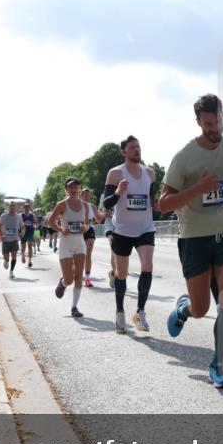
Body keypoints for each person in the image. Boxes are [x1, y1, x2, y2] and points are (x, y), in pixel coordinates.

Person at [159, 94, 223, 388]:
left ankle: (218, 365)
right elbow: (162, 204)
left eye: (218, 121)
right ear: (199, 122)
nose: (215, 128)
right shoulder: (185, 158)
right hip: (194, 238)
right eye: (208, 123)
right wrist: (198, 188)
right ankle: (185, 308)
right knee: (201, 309)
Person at [102, 137, 157, 333]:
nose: (137, 150)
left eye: (138, 147)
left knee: (147, 266)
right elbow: (106, 204)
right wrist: (117, 192)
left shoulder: (149, 173)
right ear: (123, 152)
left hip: (145, 229)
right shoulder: (116, 173)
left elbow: (152, 201)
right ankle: (119, 313)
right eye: (132, 147)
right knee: (121, 274)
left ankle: (140, 312)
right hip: (123, 230)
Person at [46, 177, 90, 317]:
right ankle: (63, 283)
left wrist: (85, 227)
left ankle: (74, 307)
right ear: (66, 189)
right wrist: (60, 230)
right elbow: (50, 222)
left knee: (79, 277)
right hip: (65, 244)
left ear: (79, 189)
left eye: (76, 187)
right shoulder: (62, 205)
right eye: (70, 187)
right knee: (70, 279)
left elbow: (88, 224)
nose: (73, 190)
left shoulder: (85, 206)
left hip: (79, 244)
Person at [79, 188, 100, 289]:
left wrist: (104, 213)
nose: (87, 197)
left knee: (88, 253)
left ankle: (87, 278)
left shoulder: (93, 206)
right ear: (81, 195)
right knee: (78, 254)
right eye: (85, 195)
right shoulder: (77, 205)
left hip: (89, 229)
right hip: (78, 230)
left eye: (88, 195)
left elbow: (99, 220)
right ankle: (76, 273)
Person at [0, 202, 25, 279]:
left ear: (16, 207)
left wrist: (23, 232)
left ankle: (11, 271)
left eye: (14, 206)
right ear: (8, 207)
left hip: (15, 239)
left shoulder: (18, 217)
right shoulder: (3, 216)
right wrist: (1, 235)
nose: (12, 207)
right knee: (7, 258)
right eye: (11, 206)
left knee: (14, 255)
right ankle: (6, 261)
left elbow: (23, 226)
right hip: (6, 239)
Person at [100, 191, 117, 287]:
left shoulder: (124, 192)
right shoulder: (104, 195)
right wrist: (104, 213)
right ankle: (117, 277)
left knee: (121, 252)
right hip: (110, 226)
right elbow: (101, 210)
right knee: (114, 251)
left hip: (122, 226)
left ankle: (113, 274)